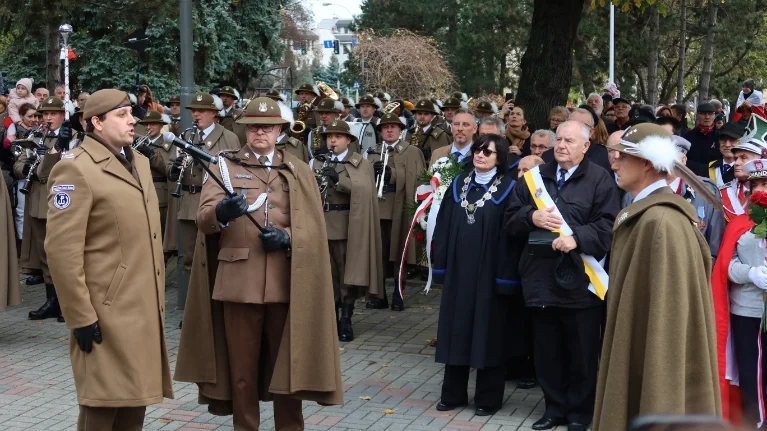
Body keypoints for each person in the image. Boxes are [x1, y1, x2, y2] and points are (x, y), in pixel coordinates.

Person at [174, 96, 344, 430]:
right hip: (238, 283)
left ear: (280, 130)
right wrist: (222, 214)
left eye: (267, 126)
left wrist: (290, 237)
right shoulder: (225, 165)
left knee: (288, 371)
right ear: (245, 130)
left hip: (286, 283)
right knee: (241, 375)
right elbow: (203, 219)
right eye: (253, 127)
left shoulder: (297, 170)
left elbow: (313, 226)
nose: (260, 132)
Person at [45, 88, 173, 430]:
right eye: (122, 115)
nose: (133, 121)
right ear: (96, 122)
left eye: (131, 113)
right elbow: (61, 251)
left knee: (134, 408)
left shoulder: (140, 162)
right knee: (102, 410)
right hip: (104, 313)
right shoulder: (75, 169)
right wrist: (80, 316)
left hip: (141, 310)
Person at [595, 123, 721, 430]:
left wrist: (659, 395)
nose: (615, 162)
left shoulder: (661, 221)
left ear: (648, 164)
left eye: (624, 156)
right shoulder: (648, 214)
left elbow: (666, 334)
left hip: (657, 367)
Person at [505, 120, 619, 431]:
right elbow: (510, 220)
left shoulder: (600, 180)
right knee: (547, 352)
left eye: (570, 140)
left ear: (586, 146)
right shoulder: (533, 179)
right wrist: (532, 216)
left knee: (581, 355)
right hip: (540, 279)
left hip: (582, 282)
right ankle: (554, 409)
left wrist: (577, 238)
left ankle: (580, 414)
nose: (562, 146)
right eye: (559, 140)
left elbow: (609, 225)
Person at [432, 134, 518, 416]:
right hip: (459, 274)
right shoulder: (458, 185)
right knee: (456, 331)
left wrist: (505, 278)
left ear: (500, 158)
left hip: (490, 276)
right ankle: (453, 394)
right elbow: (443, 227)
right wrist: (440, 266)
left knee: (488, 333)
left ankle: (488, 398)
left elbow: (511, 238)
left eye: (488, 153)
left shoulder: (509, 189)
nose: (480, 156)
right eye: (478, 151)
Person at [310, 120, 381, 342]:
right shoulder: (317, 162)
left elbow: (365, 191)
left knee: (345, 275)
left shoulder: (359, 162)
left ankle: (346, 318)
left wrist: (338, 179)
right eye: (329, 136)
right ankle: (330, 317)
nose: (332, 140)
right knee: (327, 275)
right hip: (321, 224)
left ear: (348, 140)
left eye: (338, 137)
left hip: (345, 225)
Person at [713, 158, 767, 427]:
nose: (759, 189)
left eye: (765, 183)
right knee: (749, 371)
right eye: (755, 184)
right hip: (746, 309)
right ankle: (752, 421)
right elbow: (727, 266)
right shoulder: (739, 223)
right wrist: (752, 274)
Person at [166, 93, 240, 283]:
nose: (196, 114)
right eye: (194, 111)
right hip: (189, 202)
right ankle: (196, 306)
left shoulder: (228, 137)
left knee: (216, 252)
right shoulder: (186, 136)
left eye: (202, 111)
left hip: (215, 202)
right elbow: (173, 168)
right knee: (190, 259)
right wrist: (175, 168)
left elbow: (236, 172)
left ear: (214, 113)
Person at [14, 96, 72, 322]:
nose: (48, 118)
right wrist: (27, 165)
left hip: (62, 197)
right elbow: (18, 163)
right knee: (45, 254)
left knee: (64, 253)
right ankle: (52, 301)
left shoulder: (74, 138)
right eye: (44, 114)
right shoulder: (34, 136)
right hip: (38, 198)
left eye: (53, 113)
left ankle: (68, 301)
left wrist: (63, 147)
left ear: (62, 115)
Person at [365, 113, 426, 311]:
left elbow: (418, 178)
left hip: (399, 207)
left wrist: (393, 175)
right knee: (378, 252)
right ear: (380, 131)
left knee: (400, 251)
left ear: (401, 130)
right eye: (385, 127)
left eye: (394, 127)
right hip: (377, 206)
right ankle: (379, 294)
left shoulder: (411, 151)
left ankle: (398, 292)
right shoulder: (372, 151)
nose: (389, 130)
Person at [136, 111, 174, 239]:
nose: (148, 127)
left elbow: (168, 169)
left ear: (160, 125)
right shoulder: (140, 142)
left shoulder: (168, 144)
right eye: (146, 124)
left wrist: (151, 154)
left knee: (159, 231)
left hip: (159, 193)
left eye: (152, 124)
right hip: (141, 190)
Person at [720, 132, 766, 221]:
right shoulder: (723, 193)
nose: (736, 163)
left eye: (743, 158)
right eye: (736, 158)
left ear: (760, 161)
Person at [683, 102, 719, 177]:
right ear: (697, 116)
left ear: (714, 116)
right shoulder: (688, 136)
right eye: (703, 114)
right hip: (692, 176)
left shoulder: (721, 136)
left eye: (710, 114)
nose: (707, 117)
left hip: (715, 176)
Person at [709, 122, 744, 187]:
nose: (727, 145)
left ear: (742, 142)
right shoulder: (709, 167)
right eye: (723, 139)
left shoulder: (746, 170)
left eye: (732, 140)